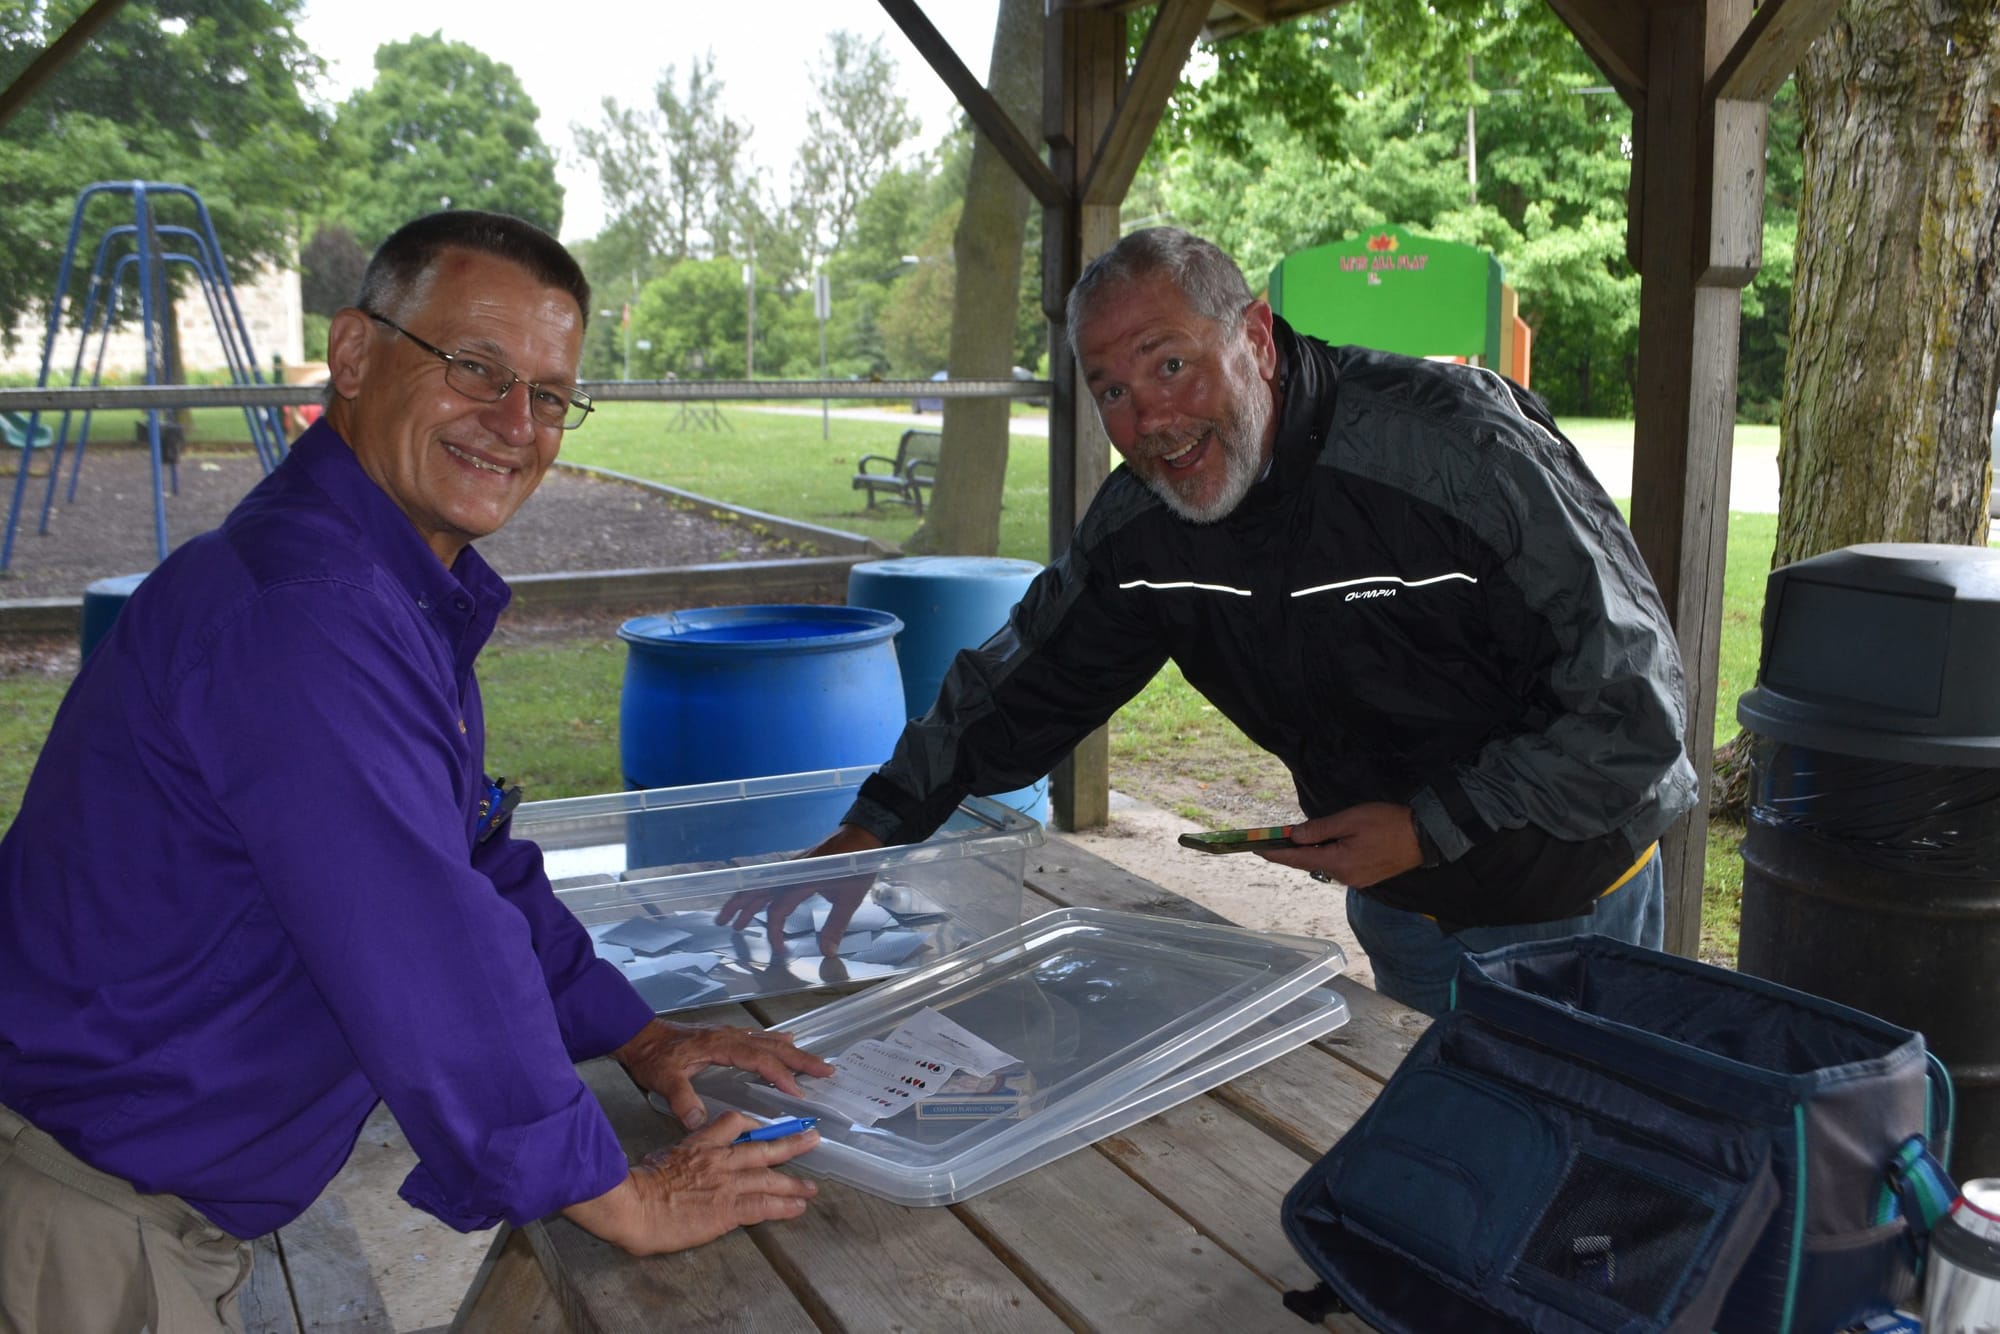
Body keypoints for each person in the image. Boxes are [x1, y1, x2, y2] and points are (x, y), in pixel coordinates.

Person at [0, 210, 830, 1333]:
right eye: (475, 367)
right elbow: (426, 942)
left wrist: (640, 1036)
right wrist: (624, 1195)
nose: (514, 422)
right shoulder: (308, 613)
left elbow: (469, 860)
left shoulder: (380, 590)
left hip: (126, 1199)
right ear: (352, 353)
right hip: (74, 1223)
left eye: (548, 393)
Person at [757, 226, 1698, 1015]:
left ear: (1254, 337)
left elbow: (1634, 710)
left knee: (1585, 1185)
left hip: (1569, 904)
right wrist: (871, 830)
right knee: (1447, 1176)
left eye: (1171, 363)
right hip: (1400, 907)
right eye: (1113, 391)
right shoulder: (1147, 531)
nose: (1153, 420)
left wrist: (1430, 824)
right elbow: (1022, 684)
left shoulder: (1459, 449)